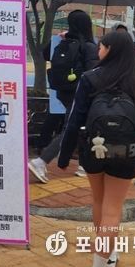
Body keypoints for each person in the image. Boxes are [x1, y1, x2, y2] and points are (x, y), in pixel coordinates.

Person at [58, 31, 135, 267]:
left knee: (99, 201)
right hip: (126, 153)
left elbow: (74, 120)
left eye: (102, 46)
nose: (99, 50)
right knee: (112, 209)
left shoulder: (89, 78)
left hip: (93, 149)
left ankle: (106, 257)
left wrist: (64, 157)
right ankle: (103, 261)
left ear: (110, 50)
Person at [29, 10, 99, 183]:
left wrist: (60, 38)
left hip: (62, 92)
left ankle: (83, 165)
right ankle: (41, 161)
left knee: (82, 126)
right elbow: (93, 73)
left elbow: (45, 54)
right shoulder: (88, 46)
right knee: (71, 129)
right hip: (81, 94)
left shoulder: (64, 41)